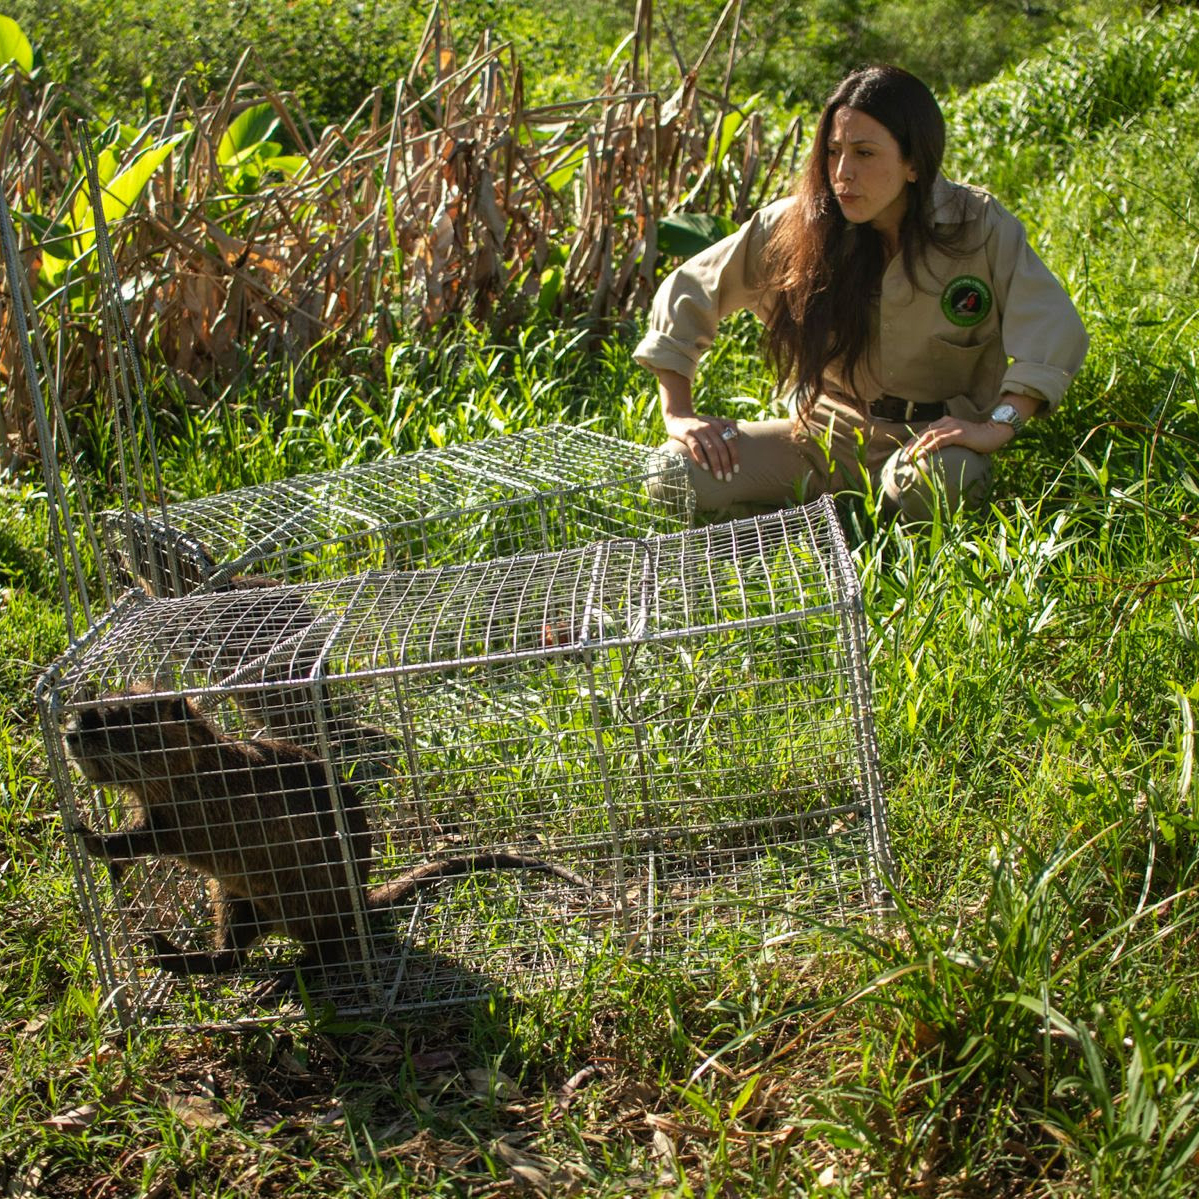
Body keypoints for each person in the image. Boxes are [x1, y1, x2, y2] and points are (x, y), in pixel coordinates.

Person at [634, 65, 1089, 522]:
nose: (842, 173)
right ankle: (809, 523)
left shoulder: (980, 226)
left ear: (914, 162)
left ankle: (829, 520)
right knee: (671, 473)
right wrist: (679, 413)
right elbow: (690, 289)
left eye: (864, 153)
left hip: (928, 443)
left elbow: (1053, 329)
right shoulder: (799, 224)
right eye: (833, 152)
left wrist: (995, 428)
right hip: (818, 437)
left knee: (941, 482)